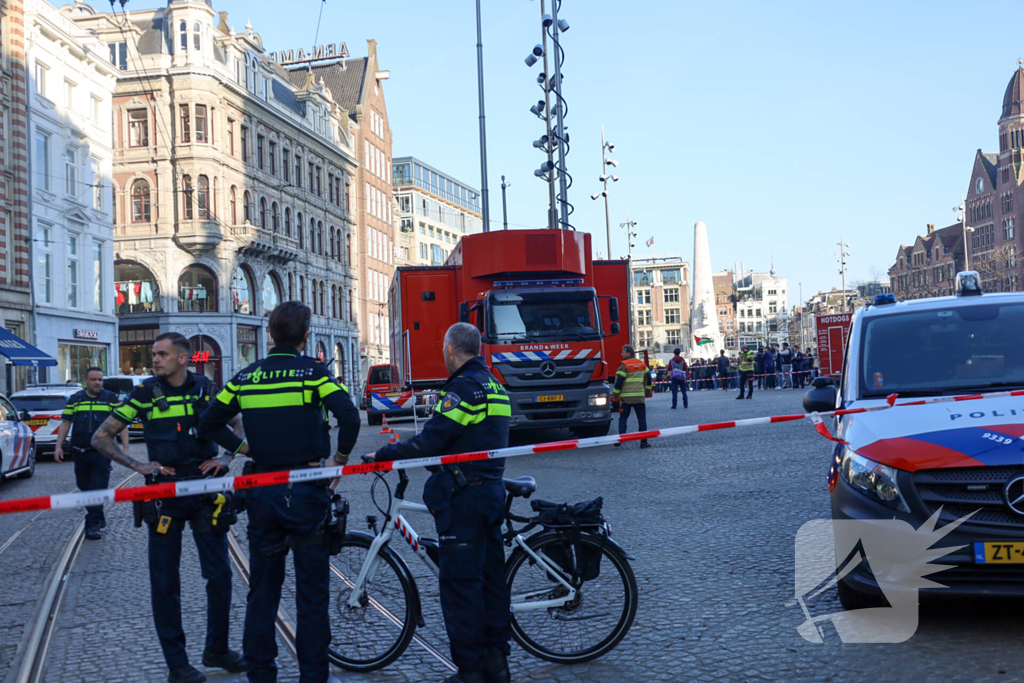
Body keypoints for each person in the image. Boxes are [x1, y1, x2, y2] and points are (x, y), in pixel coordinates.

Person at [198, 301, 361, 683]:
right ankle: (313, 677)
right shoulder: (313, 373)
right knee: (312, 595)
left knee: (263, 592)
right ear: (305, 336)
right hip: (305, 493)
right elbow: (350, 416)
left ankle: (261, 675)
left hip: (263, 493)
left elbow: (209, 423)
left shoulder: (245, 377)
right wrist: (337, 461)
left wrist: (243, 448)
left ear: (269, 335)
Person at [91, 333, 247, 683]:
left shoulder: (208, 389)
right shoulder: (145, 392)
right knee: (165, 583)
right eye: (154, 353)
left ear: (182, 359)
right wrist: (140, 467)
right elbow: (100, 437)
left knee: (220, 576)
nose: (155, 359)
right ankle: (177, 665)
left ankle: (217, 649)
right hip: (164, 495)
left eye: (162, 354)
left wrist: (225, 457)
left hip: (206, 491)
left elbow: (238, 424)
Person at [374, 323, 512, 683]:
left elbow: (431, 441)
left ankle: (470, 673)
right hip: (490, 493)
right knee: (492, 581)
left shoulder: (464, 388)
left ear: (451, 349)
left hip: (464, 499)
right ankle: (497, 664)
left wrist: (385, 454)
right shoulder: (494, 384)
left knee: (461, 587)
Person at [54, 367, 129, 540]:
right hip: (79, 452)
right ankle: (98, 515)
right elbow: (65, 424)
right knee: (84, 486)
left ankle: (92, 524)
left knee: (97, 486)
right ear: (85, 381)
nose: (97, 383)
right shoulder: (76, 399)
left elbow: (121, 423)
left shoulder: (110, 398)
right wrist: (58, 446)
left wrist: (125, 447)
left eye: (100, 380)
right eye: (94, 380)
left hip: (102, 452)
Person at [612, 345, 653, 449]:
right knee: (642, 419)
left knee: (623, 418)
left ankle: (620, 439)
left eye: (623, 352)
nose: (621, 354)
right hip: (639, 397)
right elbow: (648, 377)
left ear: (628, 352)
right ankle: (644, 442)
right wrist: (647, 391)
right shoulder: (642, 364)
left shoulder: (624, 365)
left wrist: (615, 395)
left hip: (626, 398)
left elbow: (619, 382)